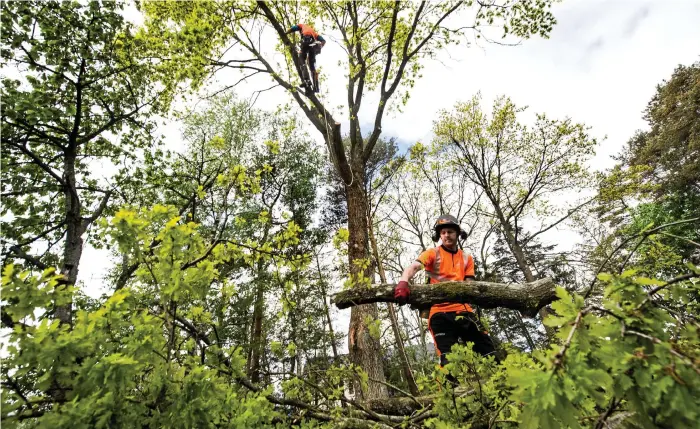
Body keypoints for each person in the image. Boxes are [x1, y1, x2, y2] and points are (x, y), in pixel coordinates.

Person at [394, 214, 498, 368]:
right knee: (448, 360)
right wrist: (403, 282)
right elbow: (413, 267)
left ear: (457, 233)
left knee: (488, 351)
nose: (446, 235)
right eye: (443, 233)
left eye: (450, 232)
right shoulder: (432, 253)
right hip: (439, 313)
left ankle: (502, 386)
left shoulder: (467, 258)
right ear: (439, 235)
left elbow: (470, 285)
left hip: (464, 310)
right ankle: (450, 390)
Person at [285, 23, 326, 92]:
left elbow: (294, 28)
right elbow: (323, 41)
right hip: (313, 45)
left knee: (301, 58)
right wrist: (319, 47)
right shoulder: (314, 32)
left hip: (306, 40)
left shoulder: (302, 26)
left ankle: (307, 80)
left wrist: (286, 33)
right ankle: (316, 88)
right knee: (312, 66)